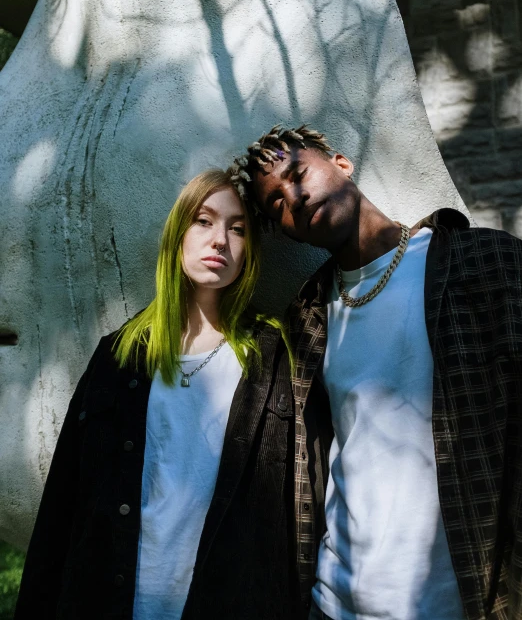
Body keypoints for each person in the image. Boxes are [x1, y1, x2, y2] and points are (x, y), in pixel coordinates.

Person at [230, 126, 522, 620]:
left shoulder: (488, 263)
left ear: (341, 163)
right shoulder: (307, 322)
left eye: (298, 173)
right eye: (276, 203)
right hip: (334, 603)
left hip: (464, 603)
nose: (295, 197)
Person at [15, 168, 297, 620]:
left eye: (238, 228)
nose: (220, 239)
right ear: (176, 236)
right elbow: (63, 504)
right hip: (113, 599)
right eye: (203, 221)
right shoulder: (118, 354)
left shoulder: (270, 355)